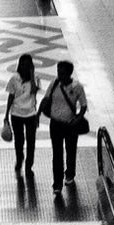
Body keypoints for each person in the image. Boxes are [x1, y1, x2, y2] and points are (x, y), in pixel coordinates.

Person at [42, 60, 87, 195]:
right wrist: (40, 113)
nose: (59, 75)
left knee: (71, 150)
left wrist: (78, 118)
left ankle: (70, 173)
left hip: (70, 124)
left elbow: (83, 105)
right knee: (57, 154)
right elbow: (46, 99)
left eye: (62, 72)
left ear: (69, 73)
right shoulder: (54, 84)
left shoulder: (77, 87)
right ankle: (57, 183)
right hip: (55, 124)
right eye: (58, 72)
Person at [4, 54, 41, 175]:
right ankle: (19, 158)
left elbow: (34, 92)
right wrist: (6, 115)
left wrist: (31, 75)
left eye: (28, 65)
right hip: (16, 114)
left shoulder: (35, 77)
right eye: (23, 65)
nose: (25, 67)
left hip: (31, 114)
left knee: (31, 141)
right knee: (19, 140)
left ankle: (29, 165)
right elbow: (11, 96)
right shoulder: (14, 78)